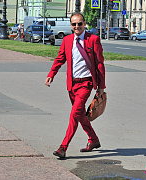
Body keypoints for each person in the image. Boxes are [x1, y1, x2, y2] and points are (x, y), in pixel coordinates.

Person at [45, 12, 105, 158]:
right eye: (74, 24)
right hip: (72, 85)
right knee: (79, 115)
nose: (77, 26)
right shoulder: (67, 40)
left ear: (84, 24)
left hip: (86, 83)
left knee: (74, 114)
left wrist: (101, 86)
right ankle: (94, 139)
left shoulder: (93, 39)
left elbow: (99, 64)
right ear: (71, 26)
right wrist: (51, 74)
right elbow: (60, 59)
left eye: (79, 23)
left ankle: (63, 147)